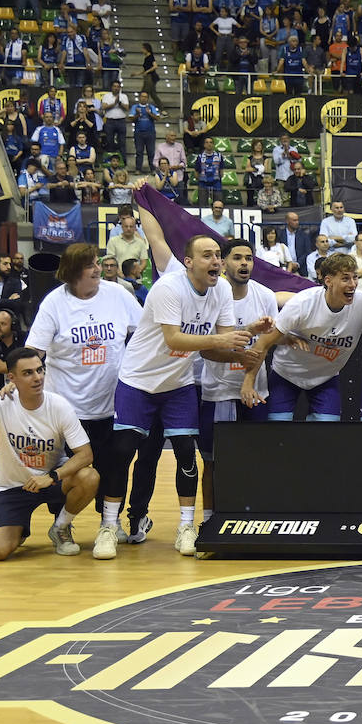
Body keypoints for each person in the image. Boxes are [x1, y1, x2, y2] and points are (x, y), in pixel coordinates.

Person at [111, 235, 252, 557]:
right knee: (125, 451)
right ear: (188, 262)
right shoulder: (169, 288)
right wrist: (224, 341)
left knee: (187, 452)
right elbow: (175, 339)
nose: (216, 260)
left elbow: (222, 345)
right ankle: (111, 524)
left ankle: (186, 527)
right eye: (207, 255)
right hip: (139, 379)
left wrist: (248, 340)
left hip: (178, 383)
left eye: (218, 255)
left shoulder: (223, 290)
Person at [24, 243, 142, 559]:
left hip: (112, 404)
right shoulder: (54, 304)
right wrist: (19, 384)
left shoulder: (118, 295)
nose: (99, 269)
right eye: (92, 265)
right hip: (67, 409)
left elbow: (144, 333)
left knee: (115, 467)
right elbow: (35, 350)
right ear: (75, 272)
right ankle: (62, 526)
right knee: (72, 476)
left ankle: (110, 522)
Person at [0, 350, 99, 561]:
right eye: (28, 373)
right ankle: (17, 527)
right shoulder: (1, 404)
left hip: (50, 481)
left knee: (90, 477)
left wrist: (52, 477)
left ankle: (61, 527)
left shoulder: (59, 405)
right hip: (13, 488)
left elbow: (85, 455)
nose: (37, 377)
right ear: (11, 378)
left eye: (40, 370)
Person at [197, 238, 277, 522]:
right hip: (218, 391)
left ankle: (251, 517)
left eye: (249, 258)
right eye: (237, 258)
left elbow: (265, 343)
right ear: (223, 263)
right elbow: (208, 347)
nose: (244, 263)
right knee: (213, 462)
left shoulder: (265, 295)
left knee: (254, 460)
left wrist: (249, 380)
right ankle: (209, 519)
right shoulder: (210, 296)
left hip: (256, 391)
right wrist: (246, 334)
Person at [241, 253, 362, 422]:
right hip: (287, 374)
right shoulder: (302, 304)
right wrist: (248, 382)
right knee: (278, 428)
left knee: (325, 430)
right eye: (345, 279)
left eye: (355, 277)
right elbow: (263, 344)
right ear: (328, 281)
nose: (352, 284)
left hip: (326, 377)